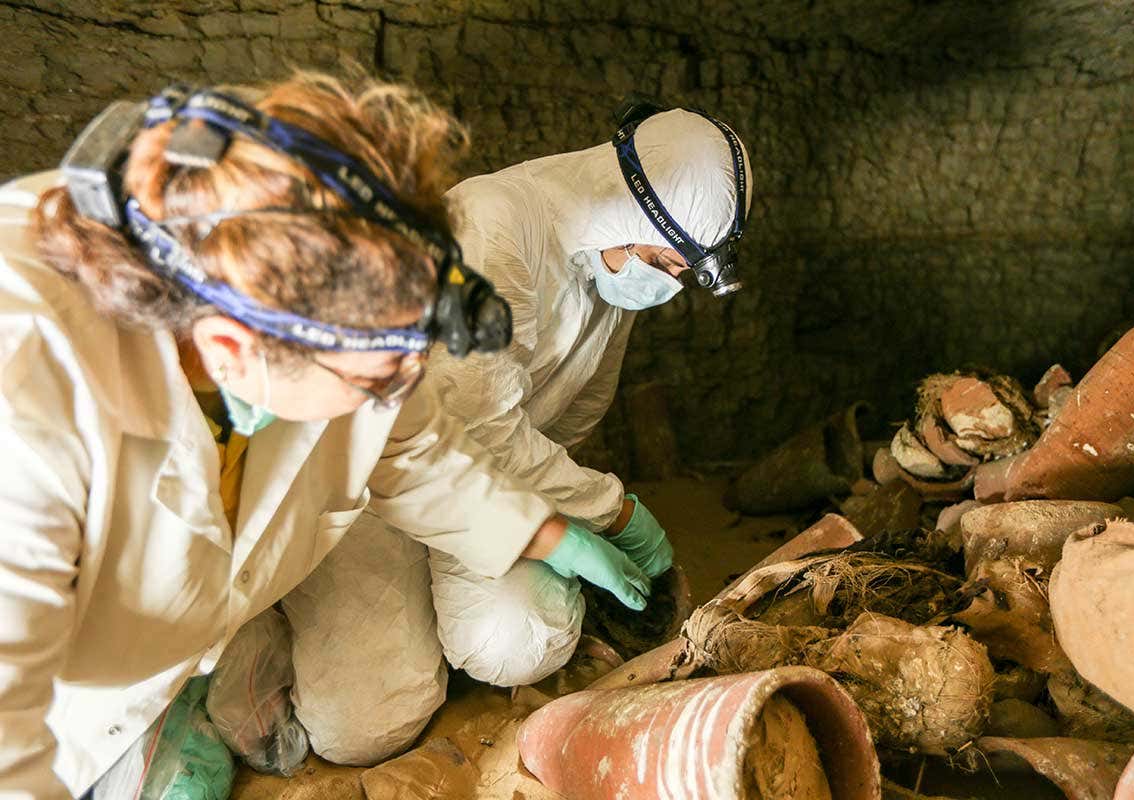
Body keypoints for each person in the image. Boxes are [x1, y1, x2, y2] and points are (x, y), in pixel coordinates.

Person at [0, 72, 650, 798]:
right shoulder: (27, 415)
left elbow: (405, 444)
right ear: (233, 351)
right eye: (375, 378)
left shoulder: (312, 315)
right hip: (55, 696)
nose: (398, 392)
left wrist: (548, 534)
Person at [414, 104, 753, 686]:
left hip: (488, 487)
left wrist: (559, 516)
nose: (668, 284)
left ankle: (445, 610)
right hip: (397, 479)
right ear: (626, 216)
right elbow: (477, 427)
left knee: (521, 636)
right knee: (377, 712)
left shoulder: (610, 268)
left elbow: (577, 410)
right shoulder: (492, 229)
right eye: (663, 262)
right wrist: (611, 513)